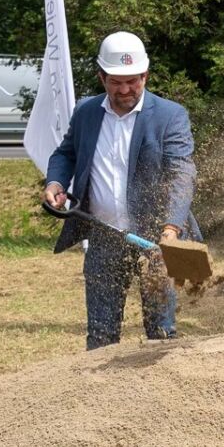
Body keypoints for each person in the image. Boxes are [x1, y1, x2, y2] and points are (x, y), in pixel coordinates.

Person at [43, 31, 200, 349]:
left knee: (161, 333)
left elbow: (181, 175)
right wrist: (56, 182)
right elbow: (66, 153)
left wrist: (171, 230)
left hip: (156, 241)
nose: (125, 89)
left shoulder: (169, 116)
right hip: (104, 236)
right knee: (101, 335)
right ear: (101, 77)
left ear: (145, 75)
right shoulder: (86, 112)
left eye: (133, 81)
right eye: (116, 82)